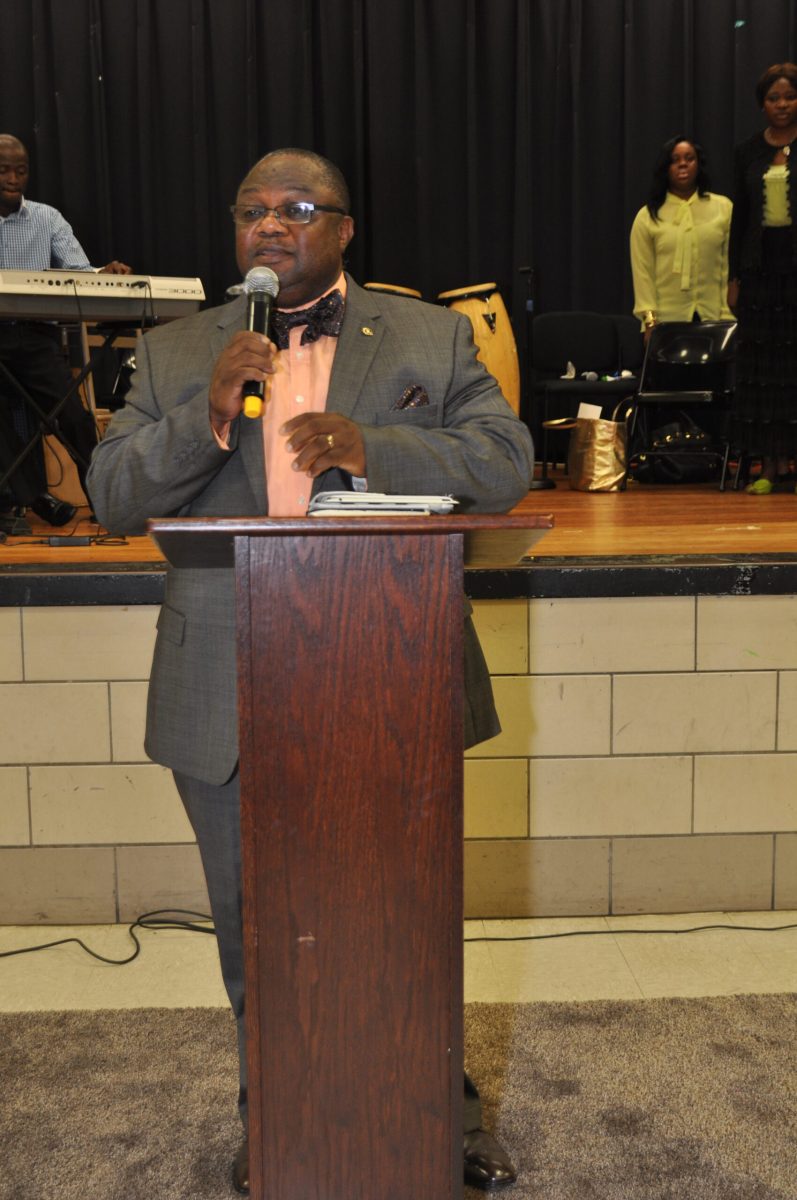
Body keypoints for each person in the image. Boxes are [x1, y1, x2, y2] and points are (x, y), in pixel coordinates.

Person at [87, 148, 534, 1194]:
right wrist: (207, 413)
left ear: (342, 228)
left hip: (393, 668)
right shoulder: (174, 348)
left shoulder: (428, 335)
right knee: (255, 928)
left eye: (296, 207)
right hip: (223, 679)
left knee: (402, 915)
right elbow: (110, 493)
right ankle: (277, 1111)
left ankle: (438, 1113)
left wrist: (373, 447)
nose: (270, 224)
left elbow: (504, 462)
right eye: (252, 209)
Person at [0, 133, 131, 524]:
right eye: (3, 170)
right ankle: (33, 498)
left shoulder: (46, 218)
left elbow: (79, 271)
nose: (13, 179)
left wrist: (103, 274)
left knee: (73, 416)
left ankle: (105, 501)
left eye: (21, 171)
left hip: (35, 336)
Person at [728, 63, 797, 494]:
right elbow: (740, 220)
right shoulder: (747, 152)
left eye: (790, 96)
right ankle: (770, 464)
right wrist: (733, 277)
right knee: (766, 373)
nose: (783, 104)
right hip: (759, 275)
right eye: (774, 98)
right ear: (762, 104)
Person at [630, 135, 733, 340]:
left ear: (699, 164)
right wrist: (650, 321)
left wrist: (727, 315)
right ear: (665, 168)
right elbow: (643, 275)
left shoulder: (723, 208)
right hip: (665, 324)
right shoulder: (647, 216)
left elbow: (728, 267)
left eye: (689, 158)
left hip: (715, 320)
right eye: (675, 160)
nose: (683, 164)